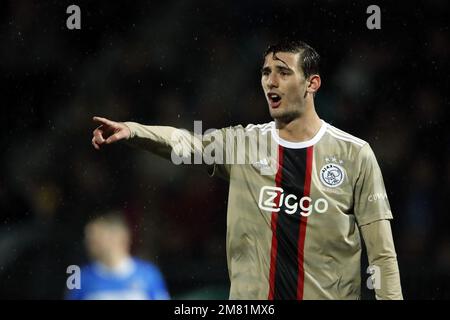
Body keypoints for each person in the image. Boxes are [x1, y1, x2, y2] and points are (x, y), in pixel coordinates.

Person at [91, 40, 403, 300]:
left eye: (283, 72)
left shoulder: (354, 154)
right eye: (267, 72)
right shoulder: (244, 144)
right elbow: (189, 143)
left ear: (312, 83)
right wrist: (133, 131)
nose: (271, 80)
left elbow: (382, 255)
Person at [66, 212, 170, 300]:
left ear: (117, 237)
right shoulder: (79, 277)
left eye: (95, 237)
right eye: (89, 238)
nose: (89, 243)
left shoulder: (148, 274)